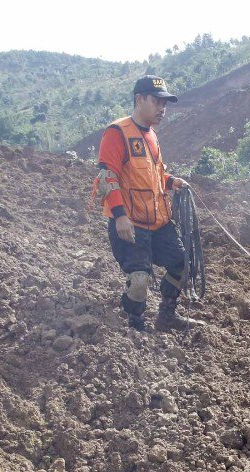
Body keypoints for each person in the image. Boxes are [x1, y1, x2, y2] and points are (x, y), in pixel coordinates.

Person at [93, 75, 200, 331]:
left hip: (159, 221)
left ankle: (166, 316)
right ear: (139, 99)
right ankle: (135, 325)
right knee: (139, 278)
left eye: (165, 103)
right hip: (131, 221)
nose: (162, 109)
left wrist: (170, 181)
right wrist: (119, 216)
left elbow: (150, 176)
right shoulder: (117, 132)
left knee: (183, 264)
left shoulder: (151, 136)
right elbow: (108, 176)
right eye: (157, 102)